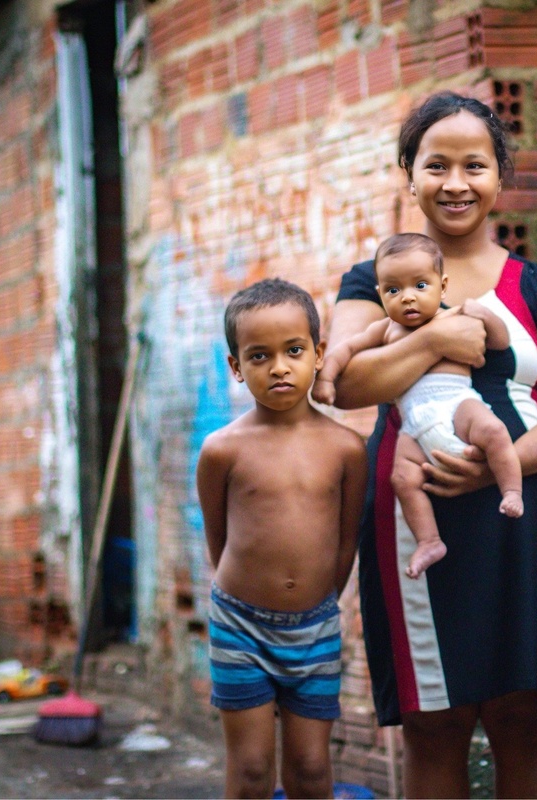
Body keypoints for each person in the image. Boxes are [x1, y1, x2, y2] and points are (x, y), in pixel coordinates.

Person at [319, 91, 537, 797]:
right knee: (433, 719)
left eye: (474, 165)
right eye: (435, 165)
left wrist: (496, 470)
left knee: (523, 715)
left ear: (500, 177)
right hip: (410, 516)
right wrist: (437, 338)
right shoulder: (373, 282)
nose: (455, 183)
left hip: (523, 513)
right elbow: (348, 384)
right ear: (407, 174)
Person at [196, 278, 367, 799]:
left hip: (314, 629)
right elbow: (218, 539)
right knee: (250, 770)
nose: (278, 367)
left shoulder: (346, 448)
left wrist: (315, 603)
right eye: (258, 356)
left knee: (313, 770)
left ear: (317, 353)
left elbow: (344, 544)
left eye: (293, 351)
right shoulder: (222, 450)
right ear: (236, 367)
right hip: (240, 626)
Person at [315, 233, 523, 579]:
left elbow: (501, 343)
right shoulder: (384, 330)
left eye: (420, 286)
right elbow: (343, 351)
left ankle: (511, 489)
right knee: (402, 477)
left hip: (458, 402)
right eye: (394, 290)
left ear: (442, 287)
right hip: (413, 422)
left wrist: (485, 315)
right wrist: (324, 379)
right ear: (380, 294)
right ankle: (429, 541)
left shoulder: (454, 315)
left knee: (492, 430)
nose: (407, 297)